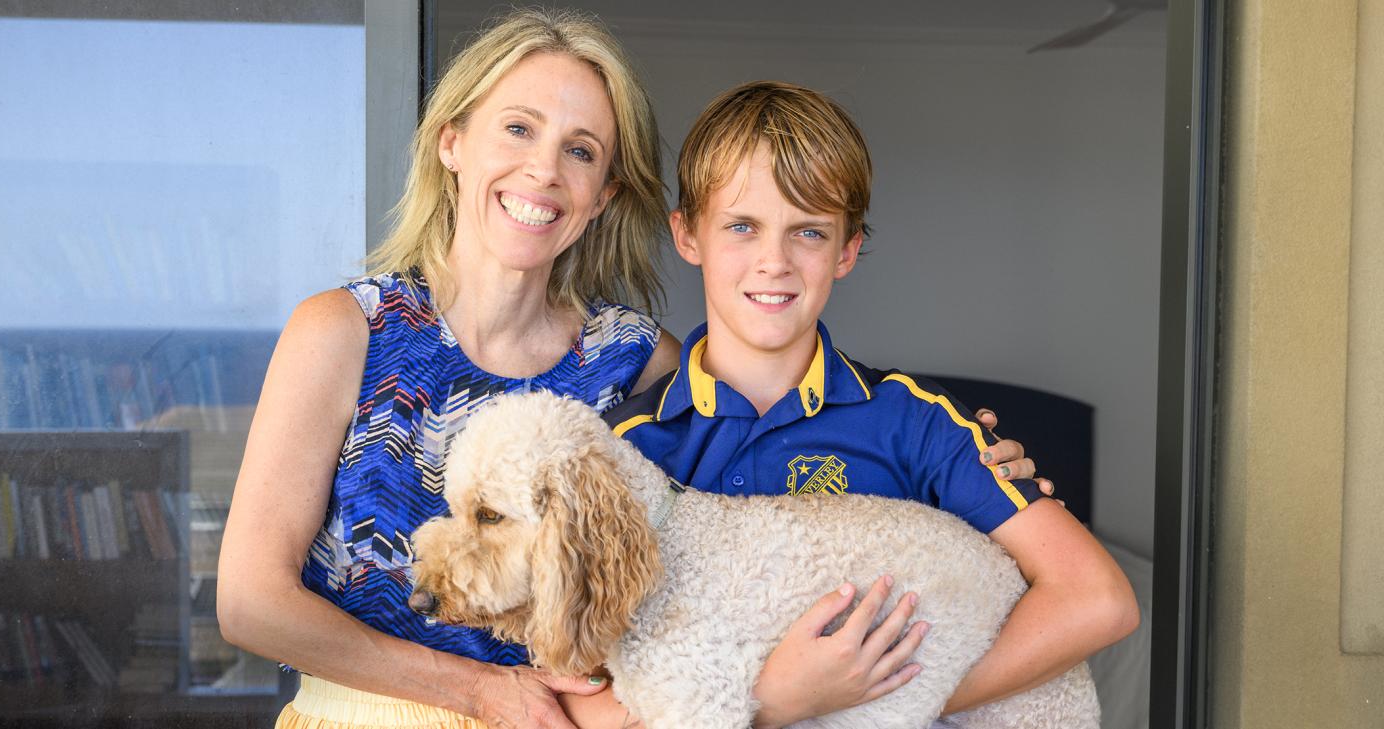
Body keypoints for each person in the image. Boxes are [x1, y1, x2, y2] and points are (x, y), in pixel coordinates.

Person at [217, 9, 1041, 729]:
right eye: (518, 128)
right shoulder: (344, 331)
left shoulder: (633, 358)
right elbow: (251, 601)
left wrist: (971, 471)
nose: (544, 170)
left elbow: (779, 439)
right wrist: (478, 691)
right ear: (453, 142)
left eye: (580, 150)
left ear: (604, 193)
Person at [585, 81, 1141, 729]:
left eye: (809, 232)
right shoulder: (630, 449)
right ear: (688, 236)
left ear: (847, 249)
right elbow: (590, 698)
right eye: (742, 226)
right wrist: (782, 703)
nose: (775, 261)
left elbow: (1099, 600)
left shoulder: (917, 421)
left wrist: (875, 698)